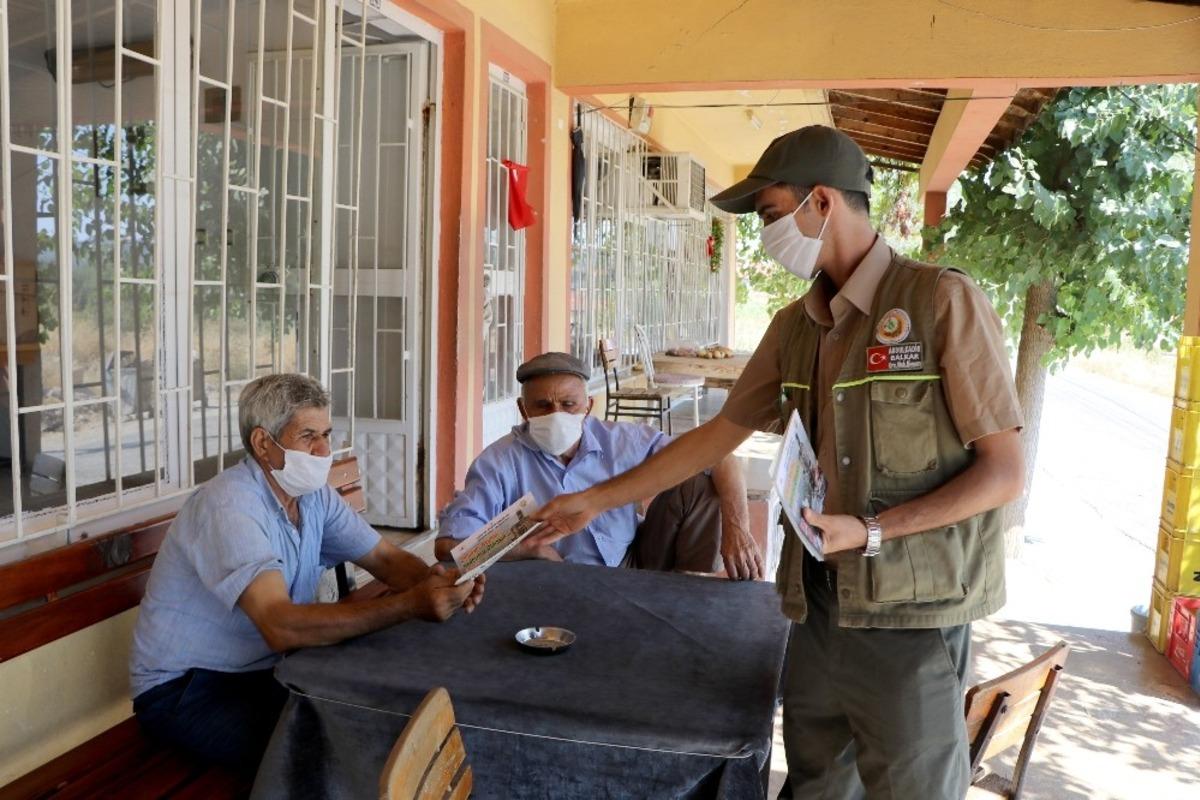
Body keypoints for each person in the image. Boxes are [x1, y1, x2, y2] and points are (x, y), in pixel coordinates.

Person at [529, 126, 1025, 798]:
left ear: (821, 201)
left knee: (913, 788)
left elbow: (1003, 472)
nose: (766, 233)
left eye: (769, 213)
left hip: (910, 617)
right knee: (817, 783)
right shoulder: (795, 327)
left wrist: (874, 531)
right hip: (817, 607)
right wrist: (594, 499)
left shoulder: (938, 302)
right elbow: (719, 435)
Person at [129, 374, 485, 771]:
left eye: (327, 434)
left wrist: (440, 582)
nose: (322, 451)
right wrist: (410, 606)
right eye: (308, 436)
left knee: (387, 714)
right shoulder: (229, 507)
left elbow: (385, 559)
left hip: (268, 667)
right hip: (190, 690)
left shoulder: (311, 496)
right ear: (263, 443)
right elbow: (280, 625)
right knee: (331, 753)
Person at [434, 352, 763, 580]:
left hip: (633, 559)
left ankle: (687, 592)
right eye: (543, 406)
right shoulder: (499, 461)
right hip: (552, 577)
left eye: (568, 404)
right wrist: (528, 550)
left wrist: (738, 529)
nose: (556, 414)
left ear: (588, 406)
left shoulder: (619, 440)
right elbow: (450, 548)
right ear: (523, 410)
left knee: (698, 486)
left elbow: (719, 454)